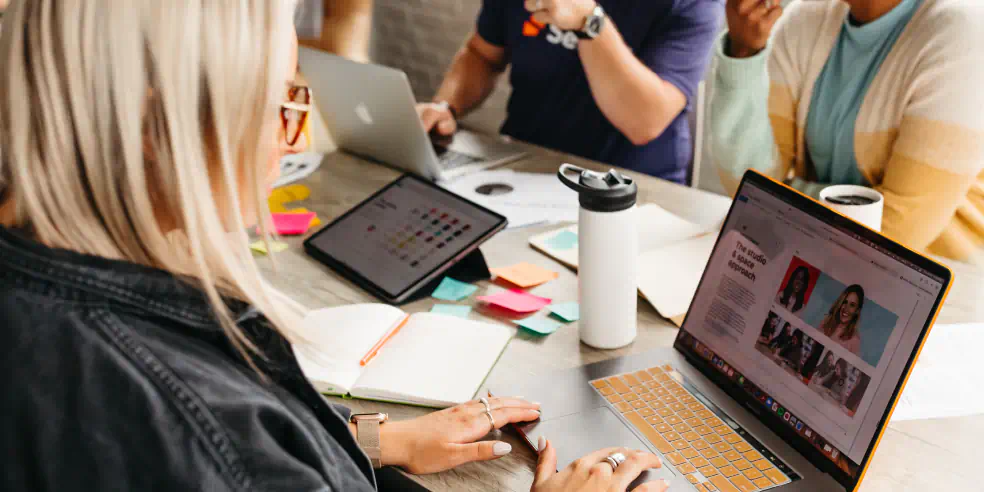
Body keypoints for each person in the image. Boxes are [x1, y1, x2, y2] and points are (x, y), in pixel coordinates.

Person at [0, 2, 669, 491]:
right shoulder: (191, 417)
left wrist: (368, 441)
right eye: (280, 103)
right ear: (156, 127)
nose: (294, 140)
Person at [709, 0, 984, 265]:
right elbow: (748, 184)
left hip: (942, 290)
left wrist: (785, 195)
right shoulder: (805, 19)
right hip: (816, 264)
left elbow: (898, 233)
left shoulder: (964, 31)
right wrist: (744, 51)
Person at [417, 0, 724, 182]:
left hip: (631, 189)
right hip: (524, 169)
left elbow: (643, 122)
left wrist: (588, 22)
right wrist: (445, 106)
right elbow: (482, 55)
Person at [821, 284, 865, 356]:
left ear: (857, 310)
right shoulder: (825, 322)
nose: (846, 309)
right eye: (845, 302)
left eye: (852, 305)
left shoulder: (854, 340)